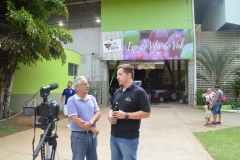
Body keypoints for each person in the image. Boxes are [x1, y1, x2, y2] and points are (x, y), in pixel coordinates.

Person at [108, 64, 151, 160]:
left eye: (120, 74)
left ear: (129, 75)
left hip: (129, 138)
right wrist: (110, 116)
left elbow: (146, 113)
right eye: (117, 75)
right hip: (114, 136)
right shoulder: (117, 92)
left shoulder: (139, 92)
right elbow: (112, 108)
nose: (117, 77)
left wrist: (125, 115)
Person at [67, 76, 101, 160]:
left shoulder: (92, 98)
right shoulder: (71, 100)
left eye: (87, 83)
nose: (88, 86)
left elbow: (98, 113)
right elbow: (75, 119)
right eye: (85, 84)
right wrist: (92, 128)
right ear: (77, 87)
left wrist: (91, 123)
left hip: (92, 136)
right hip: (78, 136)